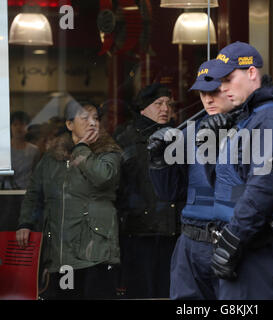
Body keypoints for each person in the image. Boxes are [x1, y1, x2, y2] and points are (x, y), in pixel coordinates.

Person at [196, 41, 273, 299]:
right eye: (220, 81)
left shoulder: (269, 118)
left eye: (229, 79)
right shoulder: (245, 119)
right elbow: (224, 184)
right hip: (241, 244)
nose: (223, 88)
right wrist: (211, 145)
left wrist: (232, 241)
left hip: (254, 247)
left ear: (252, 73)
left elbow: (263, 188)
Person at [16, 100, 122, 300]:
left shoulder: (108, 152)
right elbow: (34, 192)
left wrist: (82, 149)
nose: (93, 123)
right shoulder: (52, 157)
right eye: (85, 118)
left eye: (96, 118)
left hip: (95, 250)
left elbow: (104, 178)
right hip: (61, 251)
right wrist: (25, 222)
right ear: (69, 124)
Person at [147, 59, 234, 300]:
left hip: (231, 240)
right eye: (202, 92)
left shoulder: (248, 129)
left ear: (229, 88)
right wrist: (158, 162)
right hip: (191, 241)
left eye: (214, 91)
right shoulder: (190, 130)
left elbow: (247, 192)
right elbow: (169, 192)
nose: (208, 99)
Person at [113, 83, 184, 299]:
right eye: (158, 104)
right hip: (139, 231)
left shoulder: (178, 136)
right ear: (143, 108)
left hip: (173, 229)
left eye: (168, 104)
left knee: (170, 290)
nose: (164, 109)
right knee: (142, 291)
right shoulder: (125, 138)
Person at [0, 111, 40, 190]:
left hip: (27, 192)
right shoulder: (3, 149)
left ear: (27, 127)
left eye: (22, 124)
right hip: (7, 193)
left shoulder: (34, 150)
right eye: (15, 124)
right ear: (10, 127)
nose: (19, 128)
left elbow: (36, 174)